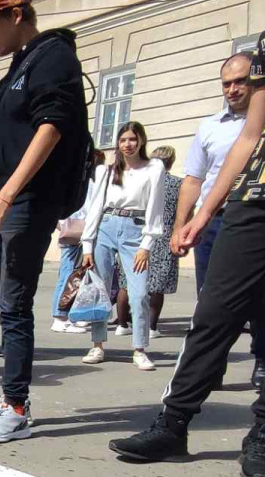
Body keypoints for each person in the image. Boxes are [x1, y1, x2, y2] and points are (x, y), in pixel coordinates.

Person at [109, 0, 265, 477]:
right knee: (216, 310)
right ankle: (173, 424)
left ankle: (264, 431)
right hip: (263, 190)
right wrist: (201, 213)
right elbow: (250, 134)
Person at [0, 0, 90, 443]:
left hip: (27, 203)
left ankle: (16, 406)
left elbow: (51, 128)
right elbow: (0, 152)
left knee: (14, 304)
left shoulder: (53, 57)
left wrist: (7, 196)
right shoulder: (16, 67)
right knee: (5, 304)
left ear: (16, 16)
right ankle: (7, 393)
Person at [170, 52, 265, 391]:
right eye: (226, 83)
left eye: (240, 81)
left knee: (258, 294)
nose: (232, 89)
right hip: (213, 221)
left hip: (258, 219)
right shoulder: (210, 127)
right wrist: (180, 225)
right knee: (209, 298)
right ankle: (210, 366)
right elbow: (193, 179)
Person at [79, 121, 164, 371]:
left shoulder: (154, 167)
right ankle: (97, 345)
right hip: (106, 226)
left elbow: (155, 206)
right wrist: (87, 245)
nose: (128, 144)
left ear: (142, 141)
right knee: (100, 290)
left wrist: (147, 244)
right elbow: (95, 206)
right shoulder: (105, 171)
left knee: (138, 293)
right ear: (118, 142)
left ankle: (139, 348)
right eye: (124, 139)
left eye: (133, 139)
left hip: (135, 230)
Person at [50, 149, 105, 333]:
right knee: (69, 273)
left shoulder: (73, 179)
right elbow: (88, 208)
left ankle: (69, 314)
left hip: (72, 229)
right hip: (78, 231)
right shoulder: (88, 183)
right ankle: (60, 315)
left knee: (76, 273)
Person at [145, 145, 182, 335]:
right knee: (157, 285)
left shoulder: (145, 180)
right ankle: (151, 327)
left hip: (142, 233)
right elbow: (184, 212)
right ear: (171, 161)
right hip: (166, 233)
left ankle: (123, 323)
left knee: (136, 280)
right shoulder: (178, 184)